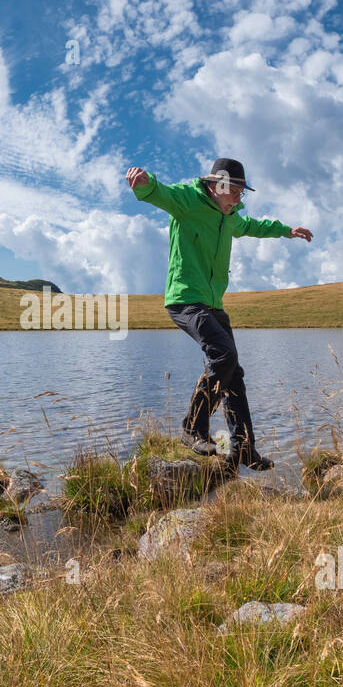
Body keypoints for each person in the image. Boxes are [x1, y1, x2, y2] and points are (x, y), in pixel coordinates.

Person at [126, 157, 312, 470]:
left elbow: (254, 226)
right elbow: (162, 193)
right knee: (224, 357)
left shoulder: (231, 216)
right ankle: (192, 429)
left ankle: (243, 448)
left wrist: (286, 230)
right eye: (237, 190)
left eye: (243, 191)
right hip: (185, 299)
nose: (241, 197)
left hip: (214, 304)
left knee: (233, 372)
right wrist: (146, 183)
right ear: (217, 185)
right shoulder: (188, 200)